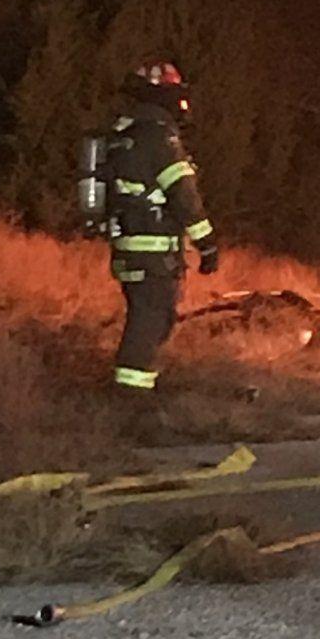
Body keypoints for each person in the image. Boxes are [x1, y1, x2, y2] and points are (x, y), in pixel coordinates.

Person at [104, 61, 217, 393]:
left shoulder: (124, 136)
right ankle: (132, 399)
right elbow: (184, 196)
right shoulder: (159, 139)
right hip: (153, 252)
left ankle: (137, 390)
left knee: (146, 318)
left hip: (129, 248)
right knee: (150, 321)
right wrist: (207, 244)